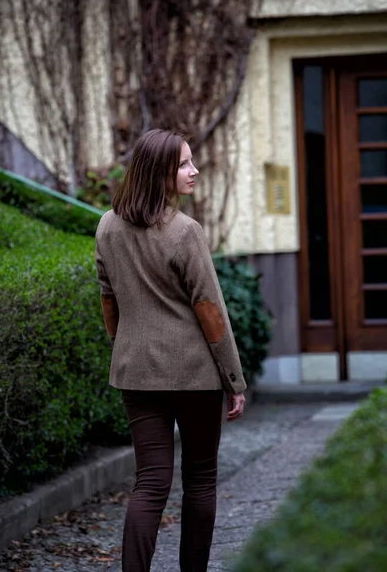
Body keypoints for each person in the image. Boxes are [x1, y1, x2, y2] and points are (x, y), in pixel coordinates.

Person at [95, 129, 246, 572]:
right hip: (194, 377)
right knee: (200, 481)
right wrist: (234, 380)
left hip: (136, 375)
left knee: (149, 483)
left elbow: (109, 300)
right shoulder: (184, 232)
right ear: (158, 171)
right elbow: (210, 311)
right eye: (183, 164)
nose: (193, 171)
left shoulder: (107, 226)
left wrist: (123, 348)